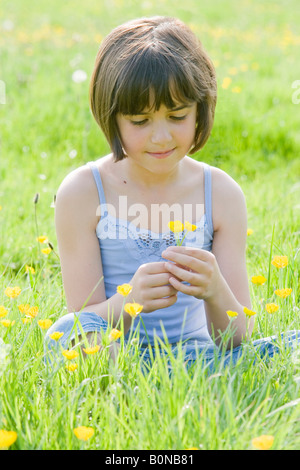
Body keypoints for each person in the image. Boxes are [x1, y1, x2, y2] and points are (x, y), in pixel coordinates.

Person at [45, 16, 299, 369]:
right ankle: (133, 389)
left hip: (202, 360)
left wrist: (214, 289)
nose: (161, 137)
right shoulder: (84, 192)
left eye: (177, 116)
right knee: (60, 336)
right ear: (111, 116)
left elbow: (239, 336)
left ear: (200, 111)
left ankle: (202, 388)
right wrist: (128, 300)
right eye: (140, 121)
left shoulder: (220, 193)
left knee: (292, 345)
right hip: (121, 358)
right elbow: (83, 320)